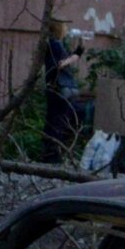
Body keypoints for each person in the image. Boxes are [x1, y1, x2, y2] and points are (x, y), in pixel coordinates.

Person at [40, 19, 90, 161]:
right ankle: (52, 155)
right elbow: (61, 63)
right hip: (59, 88)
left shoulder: (57, 44)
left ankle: (53, 154)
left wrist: (79, 51)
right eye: (65, 27)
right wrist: (75, 56)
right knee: (58, 122)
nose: (68, 29)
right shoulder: (55, 44)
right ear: (59, 28)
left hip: (60, 88)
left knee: (58, 121)